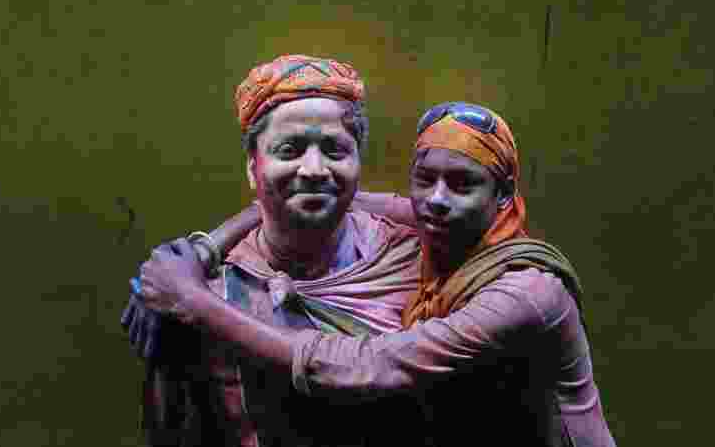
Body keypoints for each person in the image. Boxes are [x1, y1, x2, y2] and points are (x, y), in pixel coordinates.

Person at [138, 102, 617, 447]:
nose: (437, 199)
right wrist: (202, 250)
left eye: (464, 183)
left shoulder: (527, 291)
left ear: (504, 196)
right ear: (254, 166)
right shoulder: (439, 227)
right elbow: (322, 193)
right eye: (425, 180)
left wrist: (192, 300)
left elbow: (372, 367)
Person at [119, 54, 424, 447]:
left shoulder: (416, 260)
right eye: (289, 150)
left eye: (335, 150)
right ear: (252, 167)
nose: (314, 169)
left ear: (359, 162)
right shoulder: (206, 293)